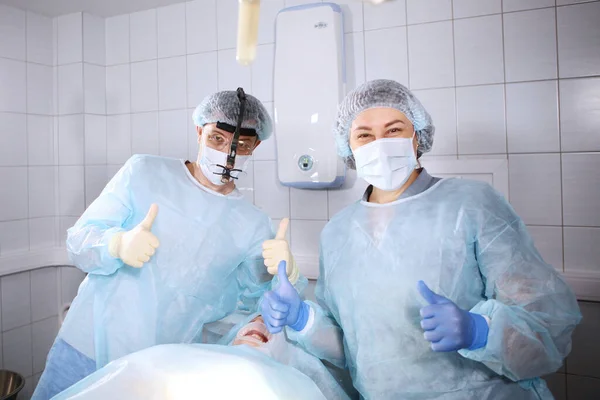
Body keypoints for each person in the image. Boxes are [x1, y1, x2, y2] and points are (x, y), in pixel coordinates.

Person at [260, 79, 582, 399]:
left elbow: (547, 328)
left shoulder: (471, 204)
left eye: (394, 130)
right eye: (364, 135)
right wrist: (303, 319)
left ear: (417, 136)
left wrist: (479, 331)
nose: (379, 144)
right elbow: (353, 351)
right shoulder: (338, 233)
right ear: (349, 149)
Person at [33, 89, 305, 400]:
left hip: (160, 369)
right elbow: (78, 241)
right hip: (87, 347)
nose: (228, 153)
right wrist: (116, 245)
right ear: (199, 130)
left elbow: (264, 306)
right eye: (217, 138)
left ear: (254, 146)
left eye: (241, 145)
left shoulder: (253, 224)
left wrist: (289, 274)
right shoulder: (144, 172)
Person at [52, 312, 352, 400]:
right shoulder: (174, 357)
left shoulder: (292, 384)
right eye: (255, 316)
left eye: (274, 325)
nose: (259, 322)